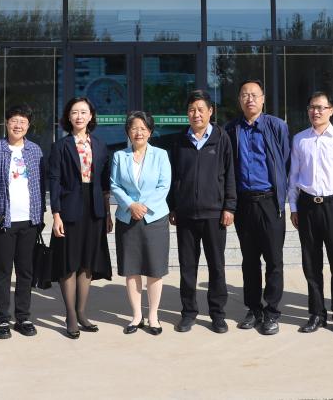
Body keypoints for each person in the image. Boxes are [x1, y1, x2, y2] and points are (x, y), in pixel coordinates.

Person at [223, 79, 290, 336]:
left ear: (263, 99)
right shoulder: (231, 129)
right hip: (244, 204)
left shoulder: (276, 126)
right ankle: (254, 309)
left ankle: (272, 311)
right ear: (239, 100)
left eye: (254, 95)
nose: (249, 99)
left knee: (274, 260)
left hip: (270, 202)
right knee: (249, 260)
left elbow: (285, 162)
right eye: (244, 95)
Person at [289, 91, 333, 336]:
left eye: (320, 107)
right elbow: (293, 176)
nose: (315, 112)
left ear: (331, 110)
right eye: (311, 107)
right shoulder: (300, 139)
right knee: (311, 264)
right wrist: (293, 207)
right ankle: (316, 314)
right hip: (307, 206)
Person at [167, 89, 236, 334]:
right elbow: (173, 176)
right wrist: (173, 206)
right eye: (191, 110)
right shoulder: (179, 141)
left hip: (215, 214)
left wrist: (229, 206)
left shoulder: (222, 138)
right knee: (187, 267)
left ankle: (217, 314)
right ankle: (188, 313)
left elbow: (230, 174)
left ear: (210, 112)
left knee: (216, 267)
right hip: (185, 214)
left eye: (200, 109)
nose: (196, 114)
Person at [0, 104, 45, 339]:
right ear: (6, 123)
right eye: (14, 120)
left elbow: (41, 184)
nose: (18, 125)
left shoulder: (35, 150)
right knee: (3, 271)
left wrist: (41, 214)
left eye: (23, 122)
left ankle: (23, 317)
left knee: (25, 271)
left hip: (29, 221)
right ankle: (3, 319)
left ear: (28, 125)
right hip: (2, 221)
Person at [47, 97, 113, 339]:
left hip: (94, 209)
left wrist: (107, 213)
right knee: (69, 261)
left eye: (83, 112)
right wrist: (56, 215)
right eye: (74, 112)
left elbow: (104, 184)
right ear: (68, 116)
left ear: (91, 116)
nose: (79, 116)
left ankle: (82, 312)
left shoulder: (100, 145)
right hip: (69, 208)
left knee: (87, 262)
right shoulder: (60, 146)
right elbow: (54, 181)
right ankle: (71, 316)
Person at [110, 111, 171, 335]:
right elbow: (114, 185)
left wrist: (143, 207)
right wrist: (131, 205)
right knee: (132, 269)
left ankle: (153, 315)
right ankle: (136, 315)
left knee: (155, 269)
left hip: (154, 218)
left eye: (143, 128)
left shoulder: (161, 155)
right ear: (128, 131)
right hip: (127, 219)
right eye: (134, 128)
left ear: (150, 132)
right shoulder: (119, 156)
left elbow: (164, 185)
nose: (139, 132)